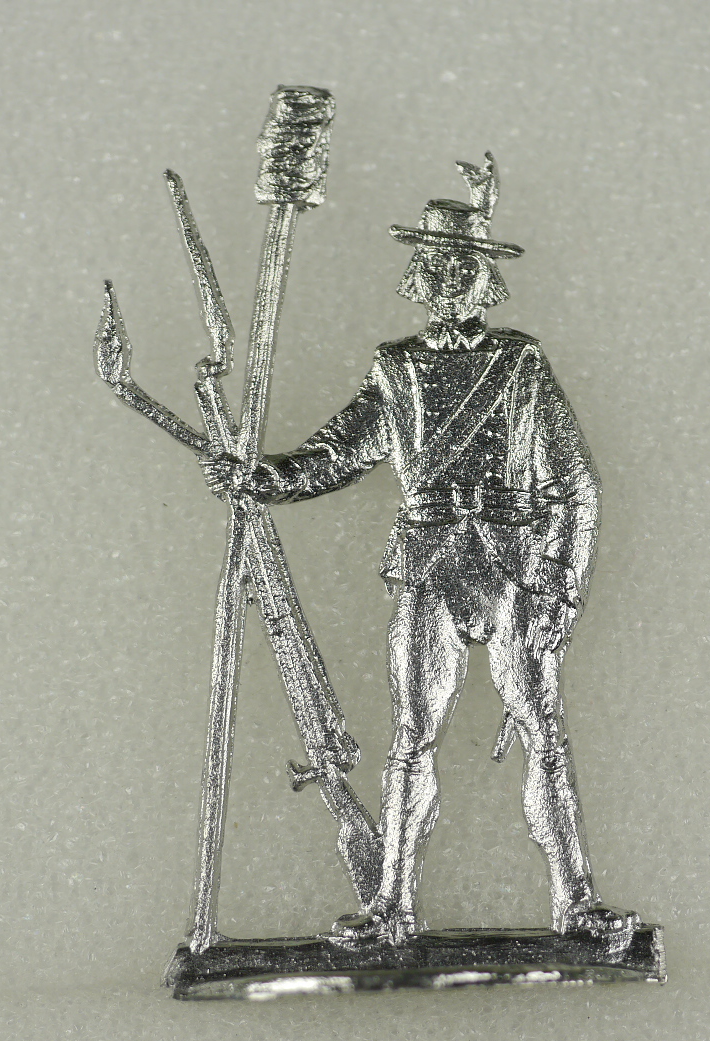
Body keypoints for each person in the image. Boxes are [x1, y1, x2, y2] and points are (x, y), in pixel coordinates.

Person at [202, 156, 639, 948]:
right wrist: (261, 477)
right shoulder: (397, 369)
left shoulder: (520, 364)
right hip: (429, 567)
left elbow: (579, 486)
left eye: (463, 264)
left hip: (515, 569)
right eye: (437, 263)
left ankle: (577, 903)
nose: (449, 277)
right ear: (420, 274)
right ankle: (392, 907)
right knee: (411, 738)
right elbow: (338, 453)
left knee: (544, 733)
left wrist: (563, 590)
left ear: (484, 277)